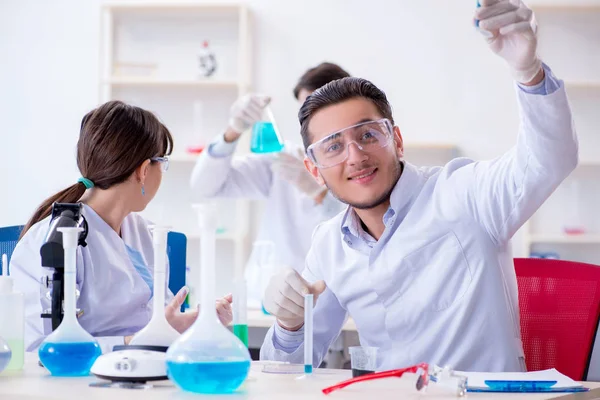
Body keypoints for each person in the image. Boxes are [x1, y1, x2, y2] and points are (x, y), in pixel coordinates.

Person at [259, 0, 579, 372]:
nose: (356, 156)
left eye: (367, 134)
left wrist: (528, 71)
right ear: (313, 169)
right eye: (333, 146)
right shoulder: (329, 245)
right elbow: (286, 369)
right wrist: (289, 324)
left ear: (396, 139)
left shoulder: (463, 194)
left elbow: (550, 159)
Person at [11, 101, 233, 353]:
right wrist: (131, 342)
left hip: (149, 376)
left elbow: (161, 320)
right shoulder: (53, 241)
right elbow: (38, 349)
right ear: (143, 170)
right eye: (162, 162)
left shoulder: (147, 235)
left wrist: (192, 321)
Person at [190, 62, 350, 302]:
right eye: (304, 111)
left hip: (329, 300)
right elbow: (206, 186)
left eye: (318, 108)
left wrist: (320, 194)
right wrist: (232, 132)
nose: (309, 120)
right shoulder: (284, 160)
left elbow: (361, 227)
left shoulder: (359, 160)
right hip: (266, 302)